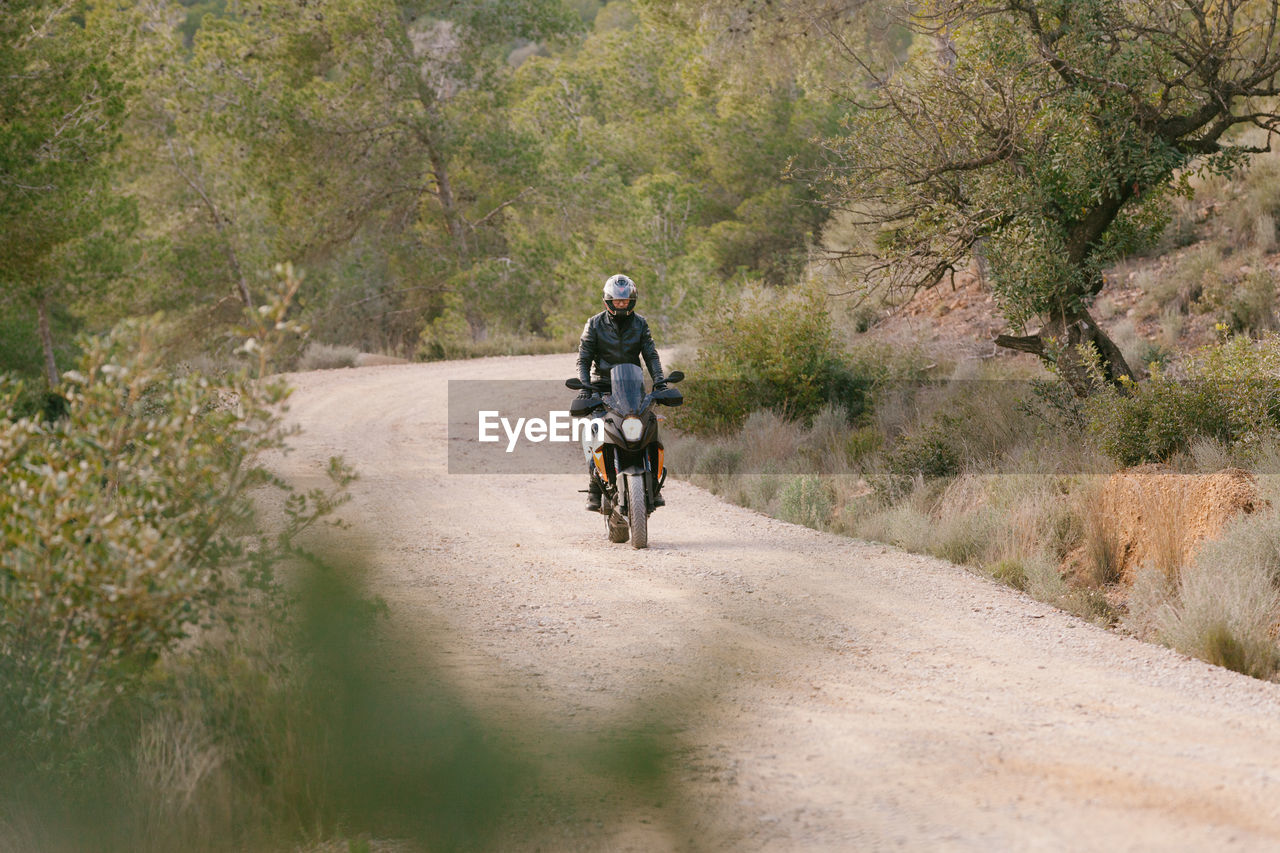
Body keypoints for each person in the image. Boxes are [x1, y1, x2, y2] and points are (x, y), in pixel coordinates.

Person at [576, 273, 667, 511]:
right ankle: (595, 486)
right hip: (601, 387)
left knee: (649, 425)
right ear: (608, 301)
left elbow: (650, 355)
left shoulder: (640, 324)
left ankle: (654, 483)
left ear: (632, 301)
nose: (621, 304)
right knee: (593, 431)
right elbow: (583, 359)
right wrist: (586, 388)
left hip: (630, 387)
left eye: (625, 301)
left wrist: (660, 382)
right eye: (617, 301)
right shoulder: (594, 324)